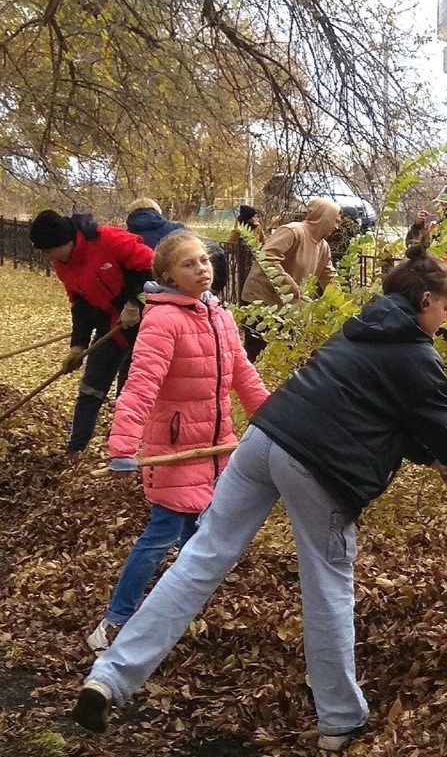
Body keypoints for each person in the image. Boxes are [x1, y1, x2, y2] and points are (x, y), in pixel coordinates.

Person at [71, 242, 447, 750]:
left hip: (263, 441)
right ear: (425, 300)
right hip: (318, 467)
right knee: (327, 583)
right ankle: (339, 719)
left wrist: (441, 463)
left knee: (199, 559)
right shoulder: (416, 355)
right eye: (446, 308)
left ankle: (110, 677)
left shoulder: (364, 329)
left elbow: (394, 417)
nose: (445, 320)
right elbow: (446, 426)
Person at [85, 230, 270, 653]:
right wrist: (123, 446)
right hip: (173, 447)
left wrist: (271, 417)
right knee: (162, 533)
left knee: (200, 536)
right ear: (168, 275)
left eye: (204, 261)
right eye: (189, 264)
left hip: (214, 446)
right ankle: (115, 620)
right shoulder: (163, 320)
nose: (201, 269)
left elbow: (242, 372)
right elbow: (140, 385)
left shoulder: (219, 314)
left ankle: (179, 616)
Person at [28, 209, 154, 454]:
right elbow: (80, 305)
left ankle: (126, 448)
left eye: (48, 251)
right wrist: (78, 345)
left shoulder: (110, 240)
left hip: (149, 323)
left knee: (130, 390)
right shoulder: (63, 264)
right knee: (90, 389)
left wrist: (135, 303)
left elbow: (154, 269)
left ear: (65, 242)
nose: (47, 257)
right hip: (111, 325)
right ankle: (75, 450)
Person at [238, 197, 341, 361]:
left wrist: (345, 304)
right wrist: (292, 286)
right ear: (324, 217)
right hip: (260, 303)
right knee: (257, 356)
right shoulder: (293, 231)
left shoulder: (323, 247)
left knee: (286, 357)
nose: (336, 226)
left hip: (287, 309)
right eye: (335, 220)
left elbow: (329, 278)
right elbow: (268, 258)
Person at [125, 197, 227, 295]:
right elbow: (216, 251)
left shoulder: (124, 238)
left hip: (140, 294)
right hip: (183, 291)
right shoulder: (177, 230)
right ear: (158, 212)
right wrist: (214, 289)